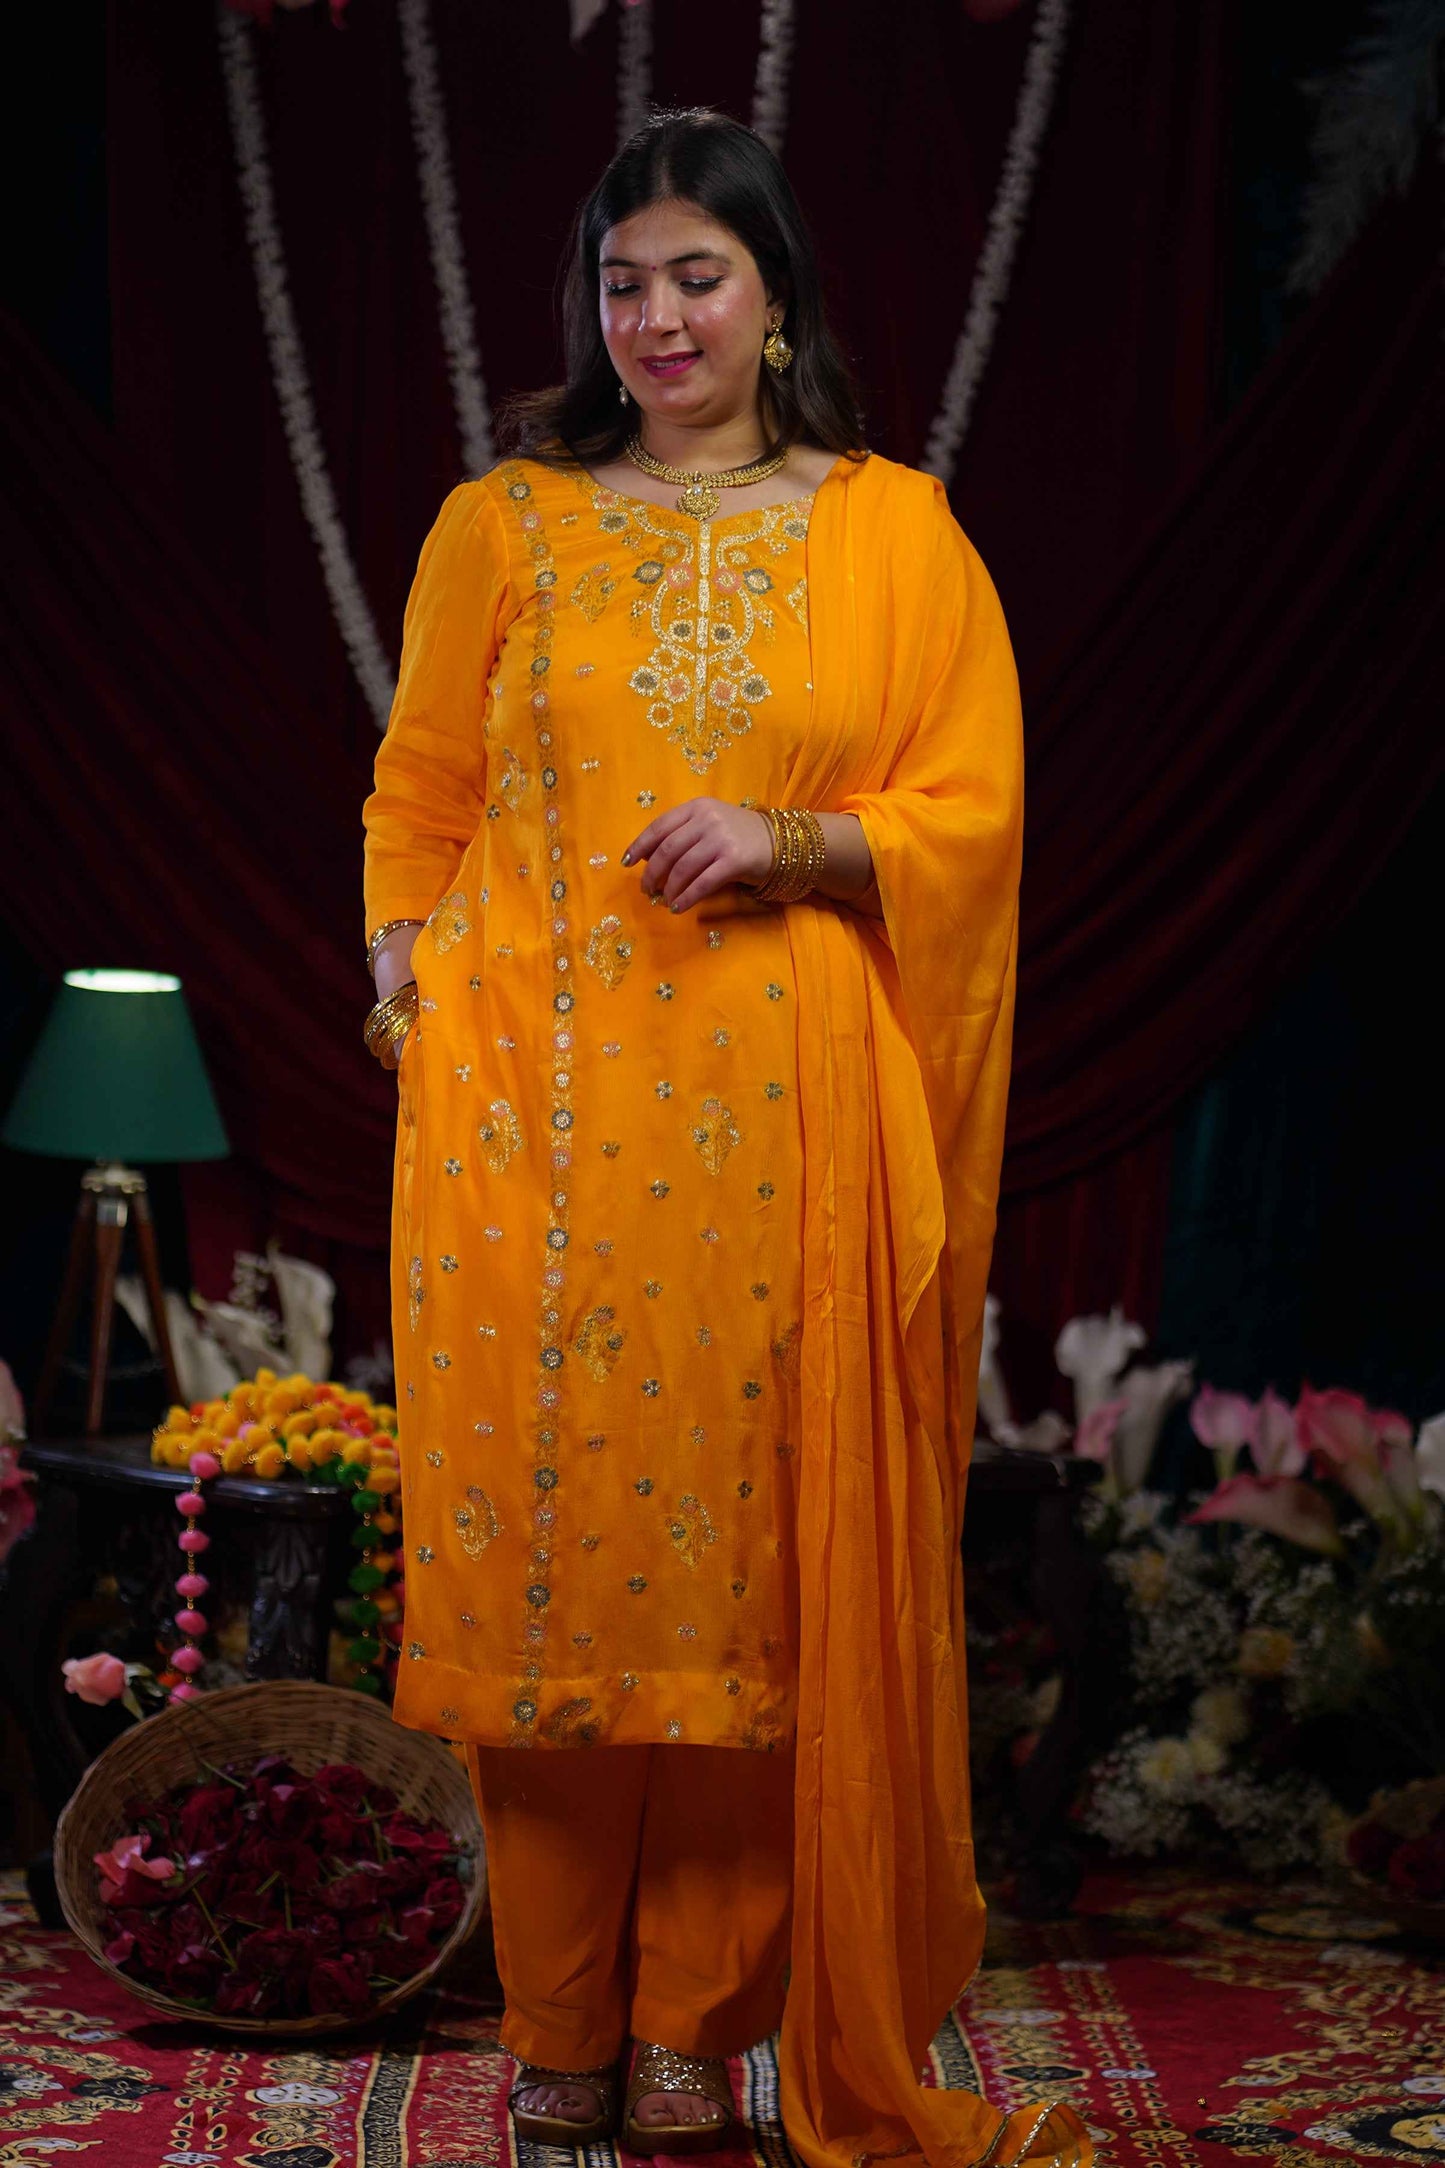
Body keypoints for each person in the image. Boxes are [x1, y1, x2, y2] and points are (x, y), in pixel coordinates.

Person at [362, 107, 1090, 2168]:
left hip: (783, 1122)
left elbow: (971, 815)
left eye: (698, 274)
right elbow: (416, 796)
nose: (657, 316)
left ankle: (694, 2020)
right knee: (545, 1588)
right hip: (528, 1125)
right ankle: (557, 2018)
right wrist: (409, 987)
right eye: (624, 282)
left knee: (750, 1582)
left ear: (777, 302)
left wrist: (792, 839)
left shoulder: (892, 533)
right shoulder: (503, 521)